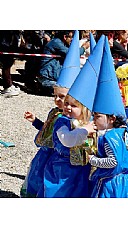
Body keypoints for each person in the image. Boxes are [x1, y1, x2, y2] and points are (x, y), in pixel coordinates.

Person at [39, 34, 106, 198]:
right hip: (62, 168)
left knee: (79, 193)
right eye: (66, 103)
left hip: (81, 168)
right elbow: (67, 139)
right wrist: (84, 130)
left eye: (73, 105)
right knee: (60, 193)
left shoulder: (87, 119)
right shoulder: (62, 121)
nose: (67, 107)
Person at [20, 30, 82, 198]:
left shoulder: (75, 120)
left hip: (60, 158)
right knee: (37, 178)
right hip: (45, 153)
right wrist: (35, 121)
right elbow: (47, 130)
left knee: (56, 185)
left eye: (62, 97)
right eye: (55, 96)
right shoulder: (55, 112)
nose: (57, 100)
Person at [88, 37, 128, 198]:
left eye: (97, 116)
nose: (94, 119)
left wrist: (92, 160)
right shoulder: (125, 130)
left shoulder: (110, 137)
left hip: (112, 181)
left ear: (111, 118)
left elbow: (113, 161)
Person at [38, 30, 90, 95]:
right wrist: (84, 47)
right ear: (65, 37)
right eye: (71, 37)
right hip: (47, 79)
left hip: (54, 78)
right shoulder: (56, 43)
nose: (72, 40)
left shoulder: (63, 44)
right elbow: (73, 54)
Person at [0, 30, 22, 97]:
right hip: (5, 42)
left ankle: (9, 85)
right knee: (7, 64)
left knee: (8, 64)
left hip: (7, 42)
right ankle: (7, 86)